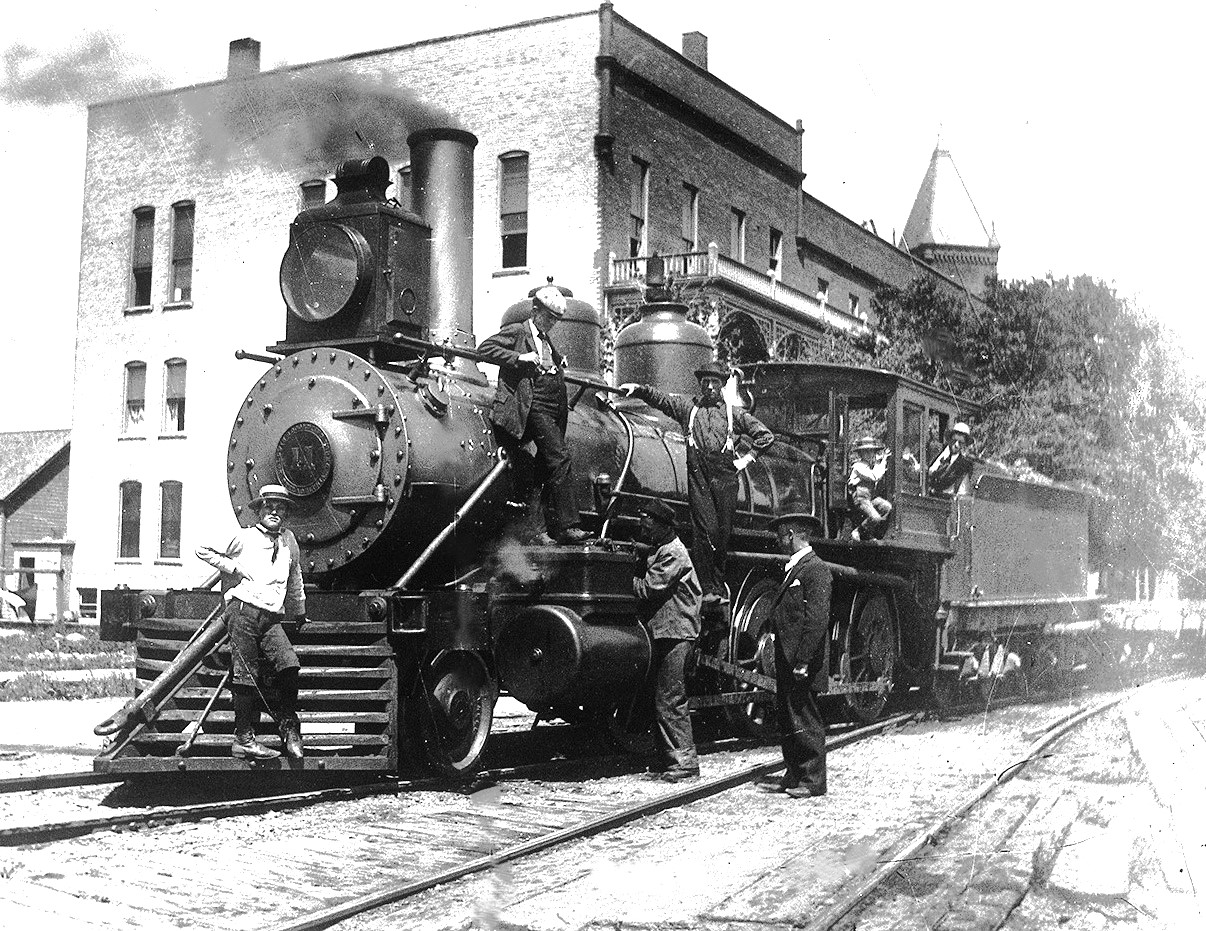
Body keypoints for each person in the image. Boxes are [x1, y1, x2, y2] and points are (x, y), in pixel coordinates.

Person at [620, 361, 774, 603]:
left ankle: (718, 584)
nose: (710, 387)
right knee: (705, 530)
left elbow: (765, 436)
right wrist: (639, 389)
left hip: (725, 477)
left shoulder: (735, 414)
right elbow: (663, 400)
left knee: (722, 533)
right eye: (706, 382)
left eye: (715, 382)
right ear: (701, 384)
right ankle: (707, 587)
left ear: (723, 384)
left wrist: (745, 461)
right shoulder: (688, 409)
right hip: (698, 476)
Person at [196, 484, 307, 761]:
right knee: (246, 675)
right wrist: (233, 568)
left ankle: (290, 728)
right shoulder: (243, 537)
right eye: (269, 506)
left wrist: (300, 610)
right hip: (242, 612)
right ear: (259, 510)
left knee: (289, 665)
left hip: (270, 617)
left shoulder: (288, 540)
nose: (274, 511)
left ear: (286, 514)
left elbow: (295, 577)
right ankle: (243, 739)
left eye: (280, 508)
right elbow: (202, 549)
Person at [478, 285, 591, 545]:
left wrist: (558, 361)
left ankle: (538, 530)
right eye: (549, 317)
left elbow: (545, 360)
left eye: (556, 319)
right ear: (536, 310)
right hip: (535, 404)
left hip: (555, 405)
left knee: (541, 470)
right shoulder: (519, 331)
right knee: (560, 457)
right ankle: (569, 526)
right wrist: (520, 358)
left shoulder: (545, 338)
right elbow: (485, 349)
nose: (552, 323)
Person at [758, 510, 831, 798]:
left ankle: (814, 781)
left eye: (780, 535)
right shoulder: (795, 567)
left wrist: (803, 660)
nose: (777, 540)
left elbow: (816, 620)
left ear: (790, 535)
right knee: (789, 718)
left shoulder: (815, 569)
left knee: (805, 717)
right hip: (788, 658)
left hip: (802, 661)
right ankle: (795, 774)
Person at [632, 498, 703, 782]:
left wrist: (625, 576)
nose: (644, 530)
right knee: (663, 697)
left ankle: (685, 764)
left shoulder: (673, 553)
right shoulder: (664, 549)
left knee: (670, 699)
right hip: (666, 632)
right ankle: (669, 760)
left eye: (648, 525)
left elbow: (650, 588)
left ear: (662, 525)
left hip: (677, 633)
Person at [847, 435, 892, 541]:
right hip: (860, 498)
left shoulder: (872, 465)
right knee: (875, 517)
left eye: (871, 451)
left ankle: (867, 534)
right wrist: (883, 460)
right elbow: (875, 476)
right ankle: (858, 531)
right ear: (861, 453)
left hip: (870, 498)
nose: (869, 454)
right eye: (865, 451)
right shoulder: (858, 466)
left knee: (886, 507)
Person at [926, 421, 975, 495]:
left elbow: (963, 491)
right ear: (949, 438)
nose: (956, 445)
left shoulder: (964, 465)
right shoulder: (935, 450)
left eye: (960, 442)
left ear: (964, 444)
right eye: (954, 440)